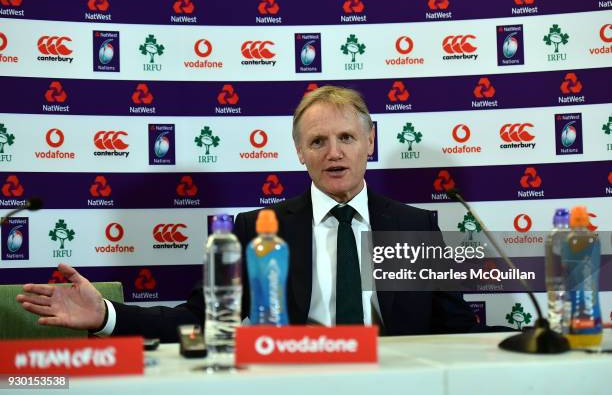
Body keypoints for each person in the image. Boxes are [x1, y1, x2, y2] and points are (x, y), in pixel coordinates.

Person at [17, 86, 477, 341]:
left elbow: (454, 334)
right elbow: (205, 319)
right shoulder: (257, 229)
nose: (333, 153)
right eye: (318, 141)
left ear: (370, 141)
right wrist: (107, 315)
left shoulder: (413, 227)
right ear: (300, 151)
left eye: (347, 138)